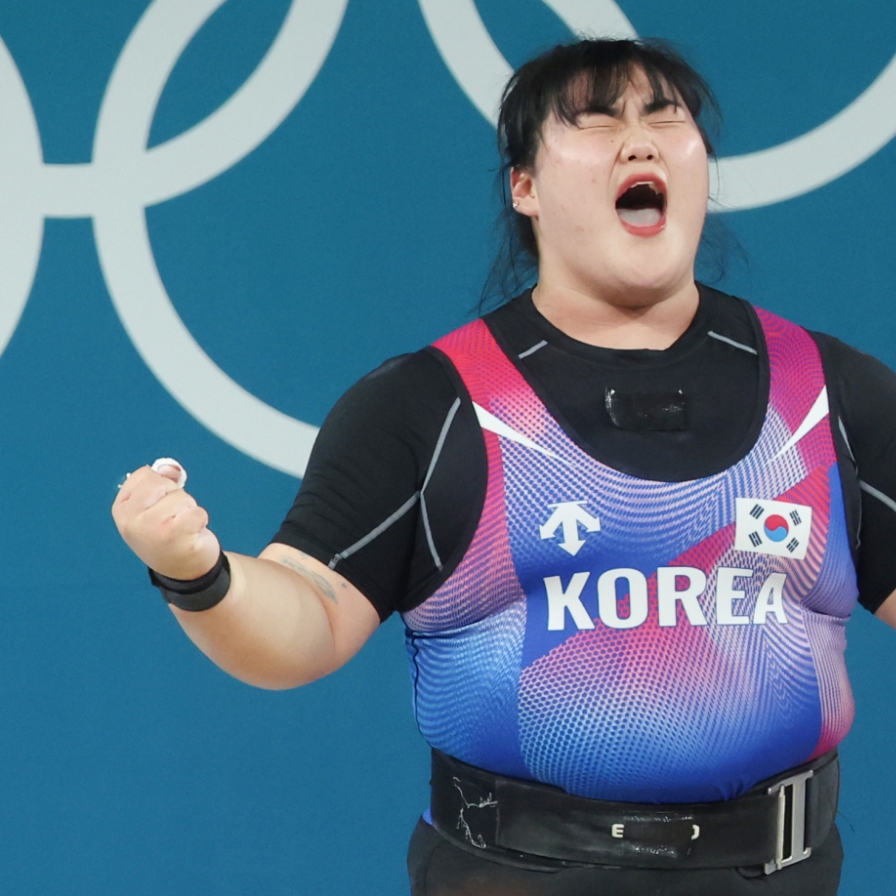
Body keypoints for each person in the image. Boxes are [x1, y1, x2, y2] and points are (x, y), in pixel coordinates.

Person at [113, 38, 896, 895]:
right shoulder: (429, 404)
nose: (640, 142)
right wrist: (198, 574)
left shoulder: (828, 392)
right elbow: (310, 619)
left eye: (664, 118)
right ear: (523, 187)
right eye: (598, 122)